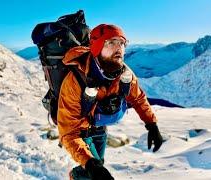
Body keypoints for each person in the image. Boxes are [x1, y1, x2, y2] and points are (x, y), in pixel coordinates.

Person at [57, 24, 163, 180]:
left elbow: (138, 98)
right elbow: (69, 133)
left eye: (122, 43)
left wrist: (152, 124)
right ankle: (77, 175)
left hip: (100, 125)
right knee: (92, 169)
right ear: (97, 47)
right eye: (111, 42)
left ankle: (81, 171)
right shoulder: (75, 81)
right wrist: (90, 164)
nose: (119, 48)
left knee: (98, 163)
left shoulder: (124, 74)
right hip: (81, 130)